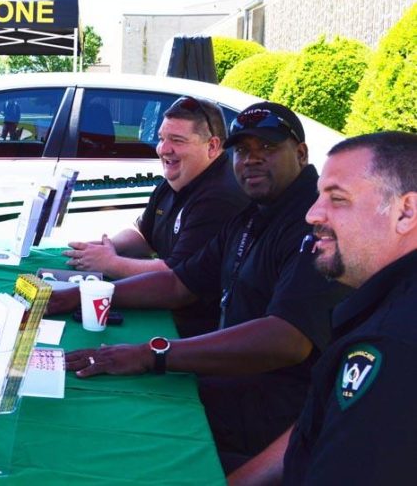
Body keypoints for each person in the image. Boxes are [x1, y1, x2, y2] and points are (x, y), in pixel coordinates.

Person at [51, 102, 351, 471]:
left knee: (123, 427)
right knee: (110, 399)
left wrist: (153, 353)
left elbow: (286, 340)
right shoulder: (254, 212)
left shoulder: (311, 225)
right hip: (234, 383)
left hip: (276, 412)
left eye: (268, 148)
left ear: (301, 154)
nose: (251, 160)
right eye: (242, 150)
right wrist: (72, 297)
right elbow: (180, 282)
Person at [229, 131, 417, 486]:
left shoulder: (392, 345)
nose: (313, 214)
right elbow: (316, 424)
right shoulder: (383, 301)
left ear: (405, 212)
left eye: (338, 199)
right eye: (318, 197)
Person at [62, 96, 249, 336]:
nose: (163, 149)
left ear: (212, 146)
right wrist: (106, 247)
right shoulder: (180, 177)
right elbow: (144, 234)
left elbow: (175, 279)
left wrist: (110, 263)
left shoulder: (220, 196)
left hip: (195, 330)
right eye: (161, 138)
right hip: (166, 313)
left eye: (177, 140)